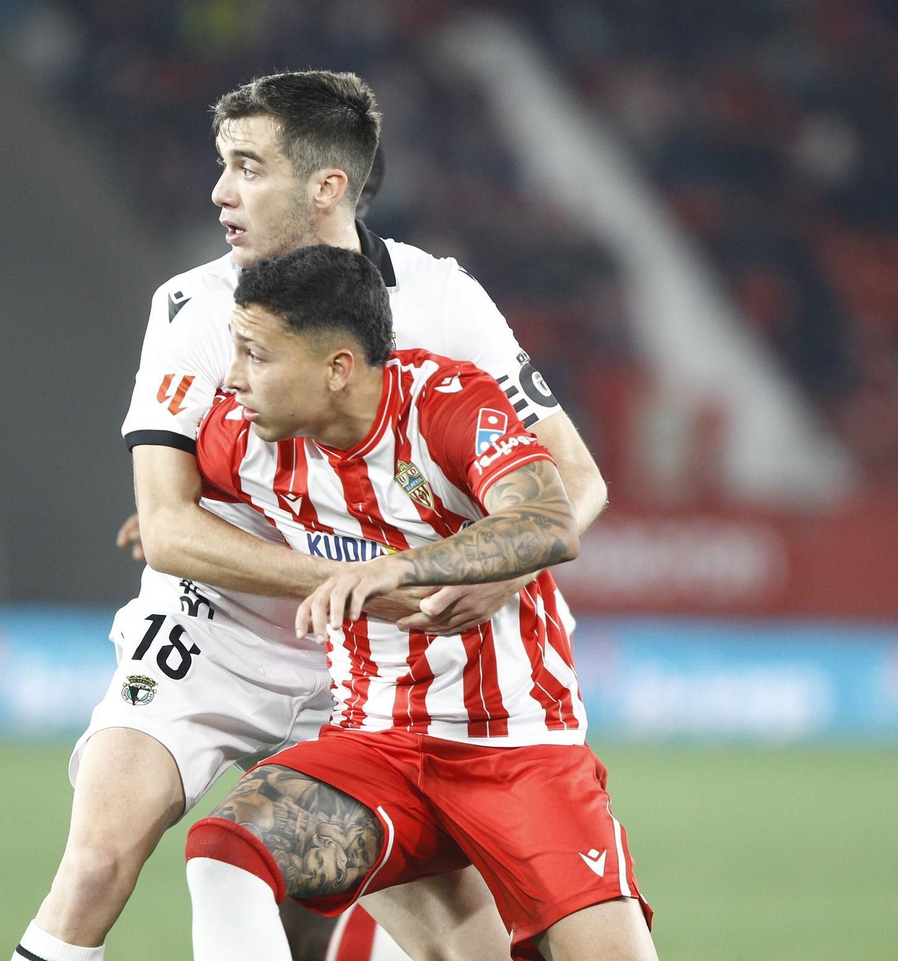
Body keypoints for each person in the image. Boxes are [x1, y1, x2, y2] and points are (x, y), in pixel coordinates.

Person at [12, 71, 609, 961]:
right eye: (223, 166)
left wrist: (502, 571)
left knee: (451, 948)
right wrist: (356, 582)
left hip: (380, 671)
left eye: (247, 167)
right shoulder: (197, 307)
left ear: (327, 186)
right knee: (97, 865)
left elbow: (573, 479)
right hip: (214, 636)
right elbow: (169, 528)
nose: (220, 192)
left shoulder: (443, 301)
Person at [184, 246, 656, 960]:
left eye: (255, 355)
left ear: (338, 368)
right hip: (377, 745)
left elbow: (549, 519)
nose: (235, 377)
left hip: (519, 746)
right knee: (224, 853)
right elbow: (170, 510)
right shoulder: (243, 438)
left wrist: (395, 571)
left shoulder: (446, 401)